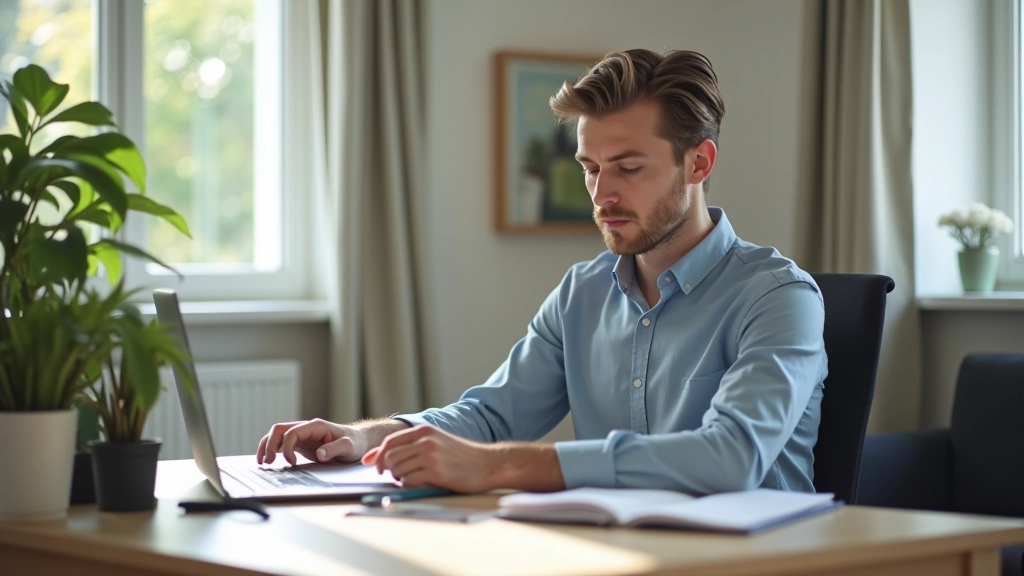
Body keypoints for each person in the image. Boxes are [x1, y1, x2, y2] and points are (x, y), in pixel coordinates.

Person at [257, 49, 827, 496]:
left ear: (698, 162)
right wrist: (365, 437)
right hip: (620, 554)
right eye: (589, 168)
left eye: (628, 167)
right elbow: (489, 415)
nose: (601, 194)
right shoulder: (582, 293)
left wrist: (498, 466)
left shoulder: (778, 298)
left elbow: (731, 457)